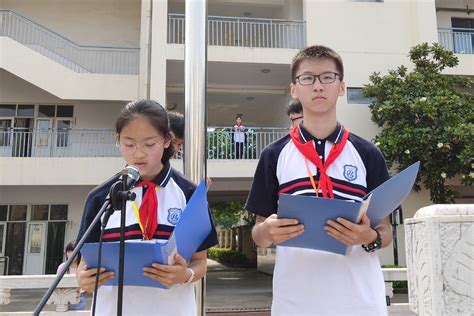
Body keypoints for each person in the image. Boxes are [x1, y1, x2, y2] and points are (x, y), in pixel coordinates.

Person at [245, 45, 392, 315]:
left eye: (327, 77)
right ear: (294, 89)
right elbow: (258, 233)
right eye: (308, 78)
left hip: (360, 300)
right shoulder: (274, 155)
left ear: (342, 86)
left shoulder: (367, 153)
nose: (318, 86)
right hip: (297, 300)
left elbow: (385, 232)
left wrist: (368, 236)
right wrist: (267, 231)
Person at [76, 99, 218, 315]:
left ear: (167, 141)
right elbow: (83, 262)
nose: (139, 153)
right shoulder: (100, 197)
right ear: (118, 141)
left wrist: (185, 275)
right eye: (129, 144)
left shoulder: (189, 194)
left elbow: (200, 262)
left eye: (149, 144)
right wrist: (83, 278)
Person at [56, 241, 86, 310]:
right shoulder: (62, 267)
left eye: (73, 251)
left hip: (78, 297)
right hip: (63, 297)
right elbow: (57, 284)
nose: (70, 254)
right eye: (68, 251)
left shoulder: (83, 267)